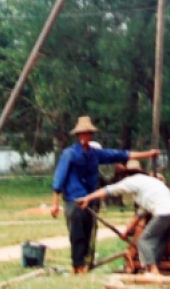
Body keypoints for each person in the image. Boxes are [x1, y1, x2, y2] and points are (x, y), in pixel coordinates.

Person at [51, 116, 160, 274]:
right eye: (82, 134)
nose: (85, 137)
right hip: (74, 200)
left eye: (88, 133)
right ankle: (77, 266)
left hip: (91, 199)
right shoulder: (69, 154)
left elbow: (120, 155)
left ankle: (87, 264)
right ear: (78, 135)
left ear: (91, 135)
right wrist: (55, 203)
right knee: (77, 234)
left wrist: (147, 154)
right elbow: (59, 178)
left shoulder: (95, 154)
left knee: (89, 232)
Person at [76, 160, 170, 277]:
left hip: (164, 212)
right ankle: (153, 269)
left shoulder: (132, 181)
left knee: (144, 240)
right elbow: (141, 213)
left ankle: (153, 271)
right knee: (159, 242)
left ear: (127, 175)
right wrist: (126, 232)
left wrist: (88, 198)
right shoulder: (149, 183)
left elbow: (109, 190)